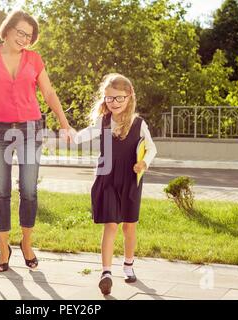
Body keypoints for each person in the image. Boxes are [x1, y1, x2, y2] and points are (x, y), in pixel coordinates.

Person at [0, 10, 72, 272]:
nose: (25, 38)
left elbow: (48, 91)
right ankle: (4, 248)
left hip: (30, 129)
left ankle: (26, 243)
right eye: (20, 32)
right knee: (1, 191)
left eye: (29, 35)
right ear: (8, 29)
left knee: (28, 189)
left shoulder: (34, 60)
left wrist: (64, 122)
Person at [71, 73, 157, 295]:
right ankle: (106, 273)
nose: (114, 103)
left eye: (119, 98)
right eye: (109, 98)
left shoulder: (139, 124)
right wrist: (70, 134)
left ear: (129, 97)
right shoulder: (103, 121)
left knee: (129, 226)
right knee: (111, 224)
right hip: (107, 178)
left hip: (130, 179)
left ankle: (128, 264)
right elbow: (81, 136)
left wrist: (144, 164)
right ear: (104, 99)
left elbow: (152, 148)